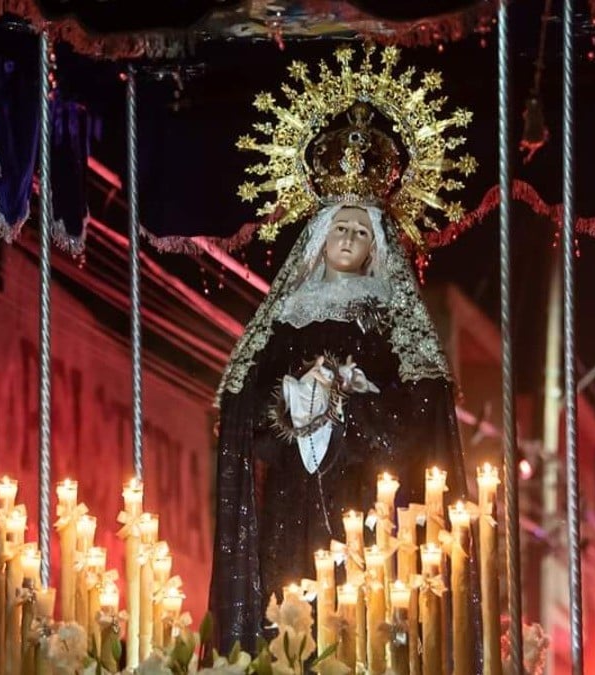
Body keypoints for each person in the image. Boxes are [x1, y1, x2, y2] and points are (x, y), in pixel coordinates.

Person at [207, 49, 479, 649]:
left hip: (363, 491)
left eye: (362, 231)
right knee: (290, 615)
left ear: (377, 245)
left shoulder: (389, 317)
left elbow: (422, 408)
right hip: (293, 500)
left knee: (359, 618)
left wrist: (351, 404)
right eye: (341, 228)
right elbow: (242, 401)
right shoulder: (287, 317)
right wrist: (294, 399)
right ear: (319, 235)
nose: (350, 239)